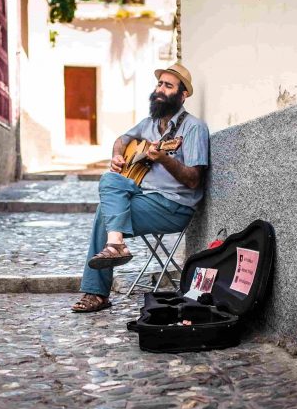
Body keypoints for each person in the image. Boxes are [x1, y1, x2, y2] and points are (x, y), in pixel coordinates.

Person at [71, 62, 210, 313]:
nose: (160, 89)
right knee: (110, 179)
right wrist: (117, 156)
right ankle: (116, 245)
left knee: (105, 212)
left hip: (173, 206)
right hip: (143, 196)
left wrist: (164, 158)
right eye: (159, 84)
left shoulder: (193, 128)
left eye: (168, 86)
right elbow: (122, 140)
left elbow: (193, 180)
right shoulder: (149, 124)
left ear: (183, 94)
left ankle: (98, 290)